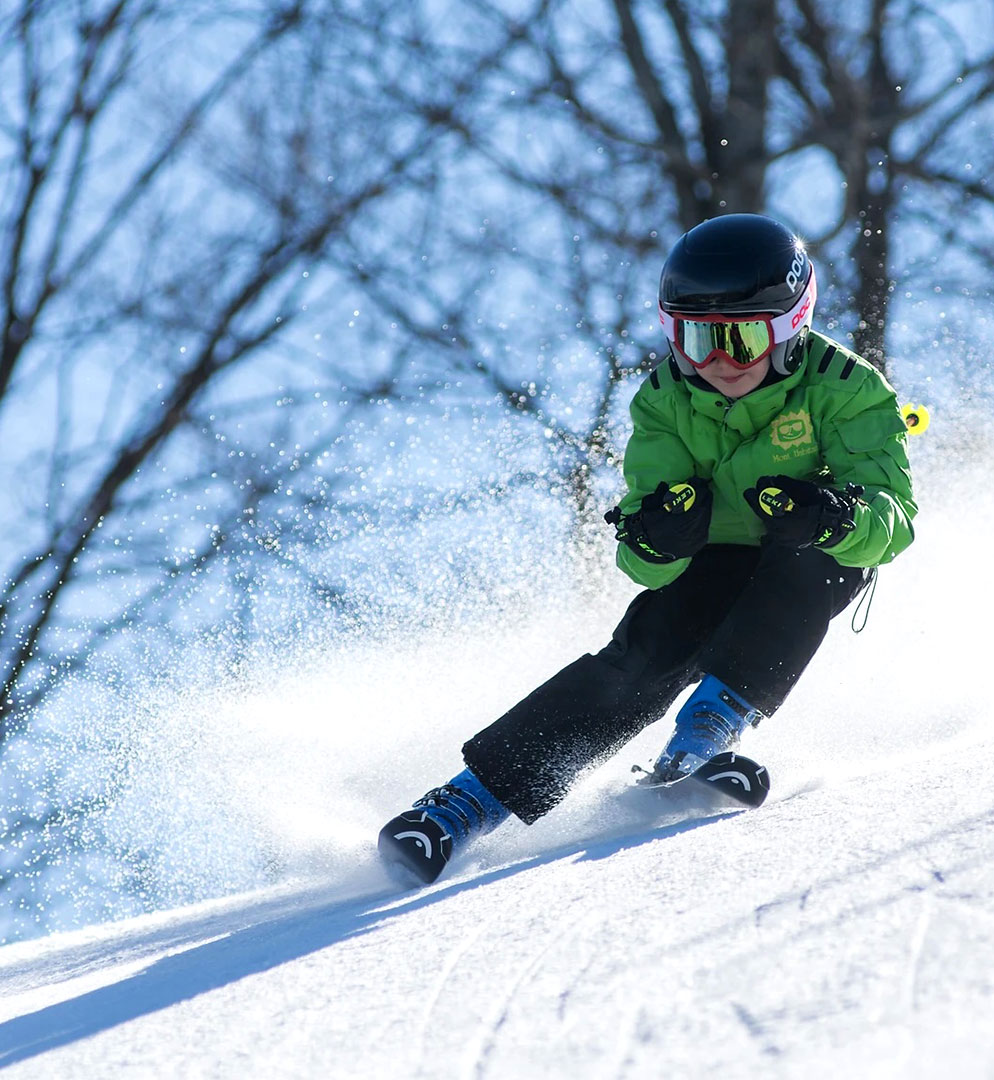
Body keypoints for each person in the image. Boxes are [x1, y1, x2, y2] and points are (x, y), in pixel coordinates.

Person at [378, 213, 918, 884]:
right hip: (712, 559)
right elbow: (640, 557)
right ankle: (463, 805)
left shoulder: (848, 387)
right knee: (646, 653)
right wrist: (659, 536)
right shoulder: (664, 400)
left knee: (820, 565)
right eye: (694, 339)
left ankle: (703, 737)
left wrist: (834, 516)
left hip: (804, 551)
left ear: (789, 329)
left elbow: (894, 521)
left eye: (741, 339)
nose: (716, 361)